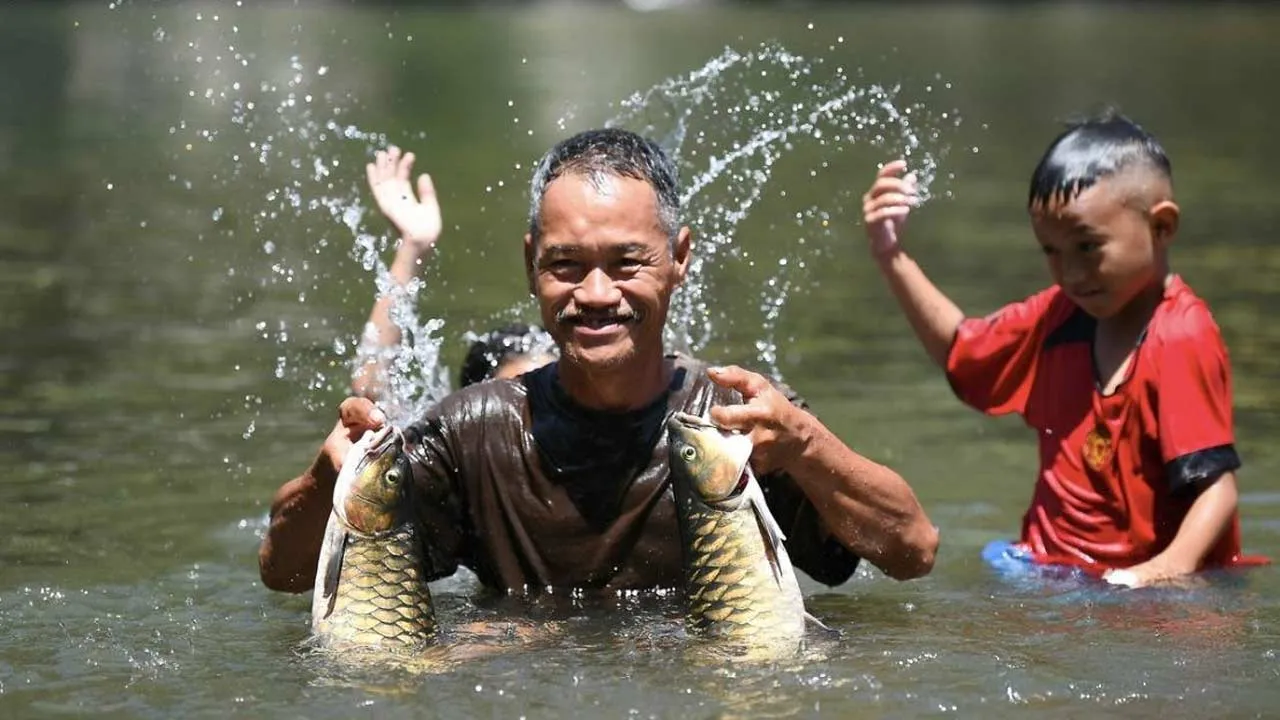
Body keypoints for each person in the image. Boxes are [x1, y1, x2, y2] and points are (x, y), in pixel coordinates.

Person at [260, 128, 939, 596]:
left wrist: (808, 447)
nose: (593, 295)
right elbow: (288, 576)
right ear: (531, 266)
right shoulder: (473, 432)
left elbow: (913, 551)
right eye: (565, 266)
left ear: (680, 260)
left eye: (625, 263)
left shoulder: (742, 423)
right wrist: (327, 478)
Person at [861, 111, 1266, 588]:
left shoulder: (1178, 335)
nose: (1070, 274)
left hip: (1133, 590)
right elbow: (962, 353)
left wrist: (1159, 573)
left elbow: (1217, 489)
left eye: (1088, 247)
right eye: (1051, 251)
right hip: (1042, 569)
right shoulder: (1061, 314)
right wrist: (891, 255)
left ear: (1161, 228)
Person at [350, 145, 557, 401]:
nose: (532, 414)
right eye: (513, 399)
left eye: (549, 396)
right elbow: (371, 390)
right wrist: (412, 250)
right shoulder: (453, 436)